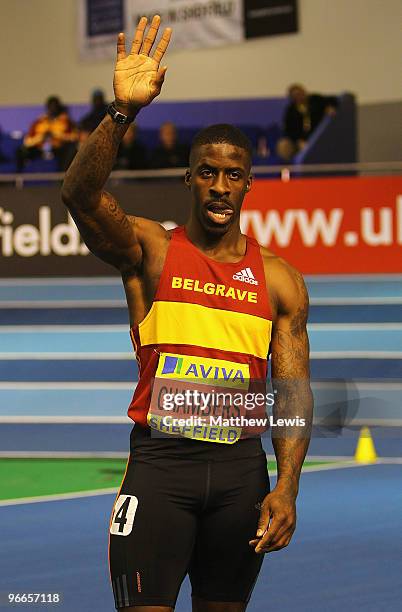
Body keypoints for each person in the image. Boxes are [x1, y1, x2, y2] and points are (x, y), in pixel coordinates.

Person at [61, 15, 313, 612]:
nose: (220, 186)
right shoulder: (150, 250)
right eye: (207, 173)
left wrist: (287, 487)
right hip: (160, 470)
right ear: (189, 179)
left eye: (233, 175)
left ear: (249, 185)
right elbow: (79, 196)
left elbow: (293, 389)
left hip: (241, 478)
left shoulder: (280, 281)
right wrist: (123, 112)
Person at [276, 83, 338, 161]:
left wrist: (330, 107)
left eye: (300, 93)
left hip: (317, 136)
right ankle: (287, 170)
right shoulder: (290, 110)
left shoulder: (316, 100)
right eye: (295, 96)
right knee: (283, 144)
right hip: (299, 140)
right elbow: (288, 130)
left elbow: (332, 100)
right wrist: (298, 141)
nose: (299, 97)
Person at [16, 96, 78, 171]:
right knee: (20, 151)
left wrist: (57, 135)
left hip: (58, 149)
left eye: (55, 106)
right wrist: (41, 137)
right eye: (50, 106)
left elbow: (74, 137)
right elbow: (27, 141)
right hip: (40, 149)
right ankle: (17, 178)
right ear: (47, 107)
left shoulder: (66, 121)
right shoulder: (39, 122)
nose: (53, 109)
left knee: (71, 150)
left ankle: (62, 177)